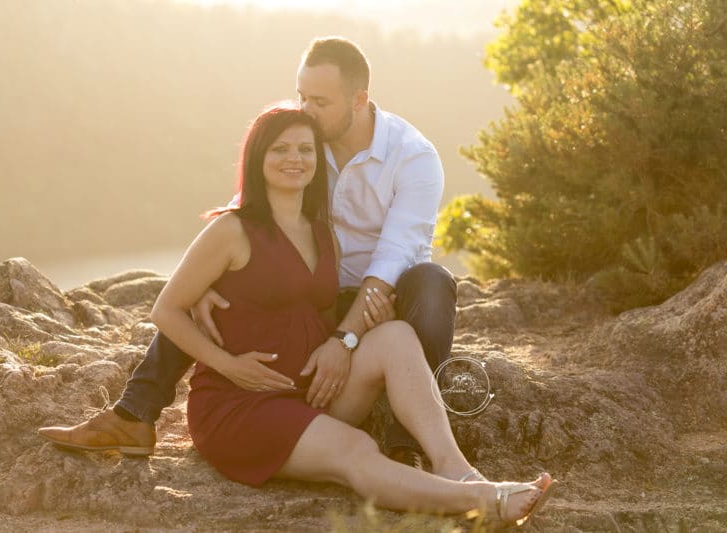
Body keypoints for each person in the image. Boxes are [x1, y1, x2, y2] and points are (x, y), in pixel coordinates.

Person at [40, 103, 554, 525]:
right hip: (243, 407)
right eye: (281, 149)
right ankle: (482, 505)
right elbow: (165, 311)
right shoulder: (231, 230)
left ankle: (457, 469)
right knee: (355, 450)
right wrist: (226, 363)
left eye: (306, 149)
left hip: (308, 391)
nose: (295, 158)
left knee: (396, 336)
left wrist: (346, 342)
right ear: (258, 158)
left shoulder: (321, 229)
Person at [36, 36, 459, 471]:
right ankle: (133, 416)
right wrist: (210, 281)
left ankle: (406, 444)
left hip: (380, 298)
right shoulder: (303, 141)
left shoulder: (414, 159)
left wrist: (344, 339)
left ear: (359, 100)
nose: (306, 110)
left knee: (432, 282)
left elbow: (394, 256)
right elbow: (250, 215)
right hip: (314, 293)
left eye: (319, 101)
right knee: (214, 294)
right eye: (301, 96)